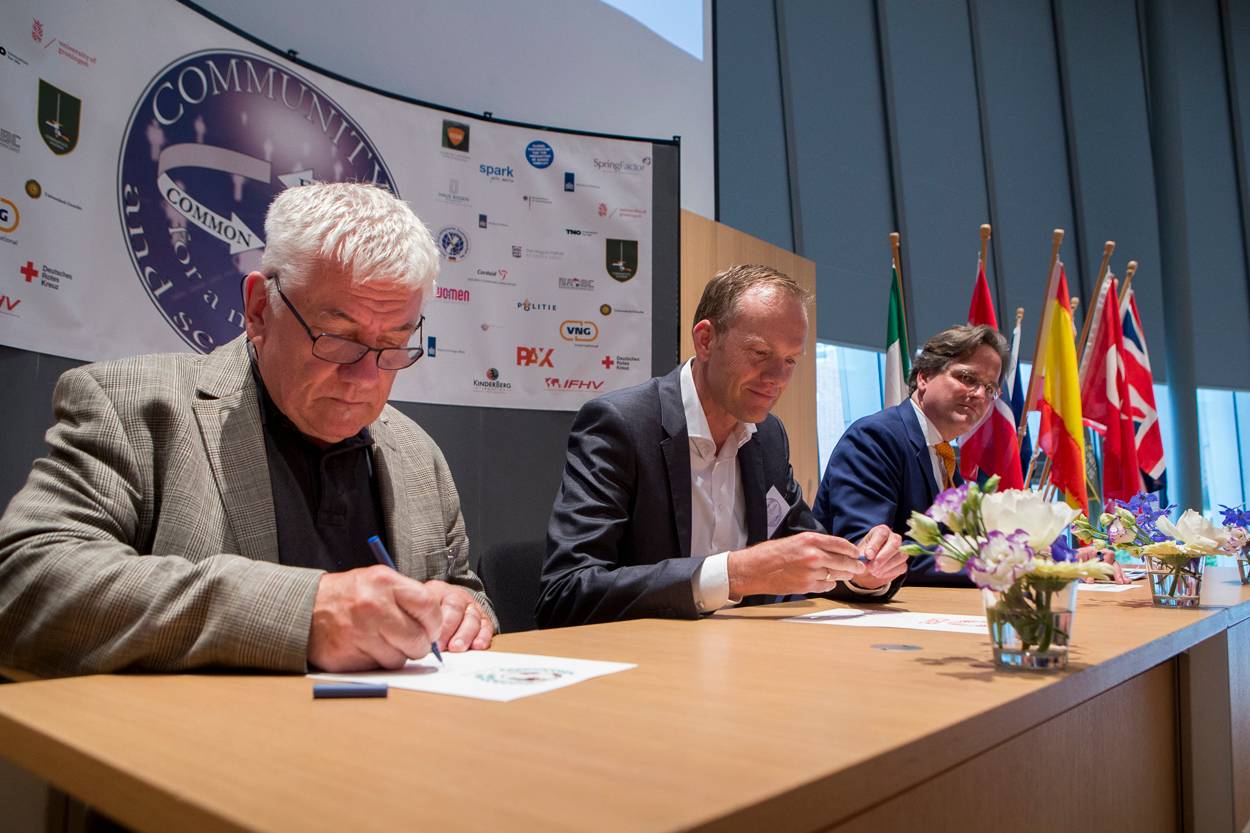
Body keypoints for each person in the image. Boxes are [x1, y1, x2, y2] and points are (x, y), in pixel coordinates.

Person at [0, 182, 495, 677]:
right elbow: (26, 585)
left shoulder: (418, 454)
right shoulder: (134, 408)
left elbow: (466, 593)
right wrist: (302, 614)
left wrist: (461, 613)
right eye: (339, 338)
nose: (366, 378)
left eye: (392, 344)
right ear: (259, 309)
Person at [536, 265, 906, 628]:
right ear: (706, 340)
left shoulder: (768, 436)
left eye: (791, 360)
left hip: (747, 652)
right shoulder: (622, 424)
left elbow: (804, 554)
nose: (778, 378)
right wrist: (735, 574)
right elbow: (566, 593)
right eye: (759, 353)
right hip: (642, 657)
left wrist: (862, 570)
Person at [812, 324, 1008, 588]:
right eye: (967, 378)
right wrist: (1000, 566)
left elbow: (956, 543)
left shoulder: (943, 454)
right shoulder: (876, 437)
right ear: (924, 377)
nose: (980, 395)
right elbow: (867, 553)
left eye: (990, 388)